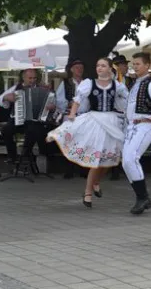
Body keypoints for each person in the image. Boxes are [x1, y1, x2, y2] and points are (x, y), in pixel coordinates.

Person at [47, 58, 128, 207]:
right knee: (96, 161)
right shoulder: (89, 83)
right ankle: (88, 192)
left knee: (110, 160)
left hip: (111, 121)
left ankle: (96, 181)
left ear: (110, 69)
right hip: (95, 120)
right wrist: (72, 114)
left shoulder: (118, 86)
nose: (100, 68)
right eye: (98, 65)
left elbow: (126, 101)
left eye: (103, 66)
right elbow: (78, 99)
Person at [121, 52, 151, 215]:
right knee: (126, 162)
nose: (135, 66)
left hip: (145, 124)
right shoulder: (136, 83)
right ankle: (142, 196)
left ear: (147, 65)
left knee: (130, 158)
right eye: (133, 64)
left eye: (138, 64)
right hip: (133, 126)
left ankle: (143, 197)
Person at [0, 69, 53, 164]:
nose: (32, 80)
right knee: (5, 130)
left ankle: (25, 154)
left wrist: (51, 106)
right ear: (24, 78)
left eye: (34, 78)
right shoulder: (16, 88)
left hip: (34, 122)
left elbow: (52, 104)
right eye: (30, 78)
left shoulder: (42, 89)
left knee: (33, 129)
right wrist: (6, 97)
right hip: (18, 119)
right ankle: (12, 156)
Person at [55, 59, 86, 179]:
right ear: (72, 70)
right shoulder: (66, 83)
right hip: (70, 116)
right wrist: (69, 103)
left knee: (83, 143)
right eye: (77, 67)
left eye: (81, 68)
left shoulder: (86, 83)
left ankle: (83, 169)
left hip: (84, 115)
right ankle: (69, 169)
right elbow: (59, 99)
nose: (79, 70)